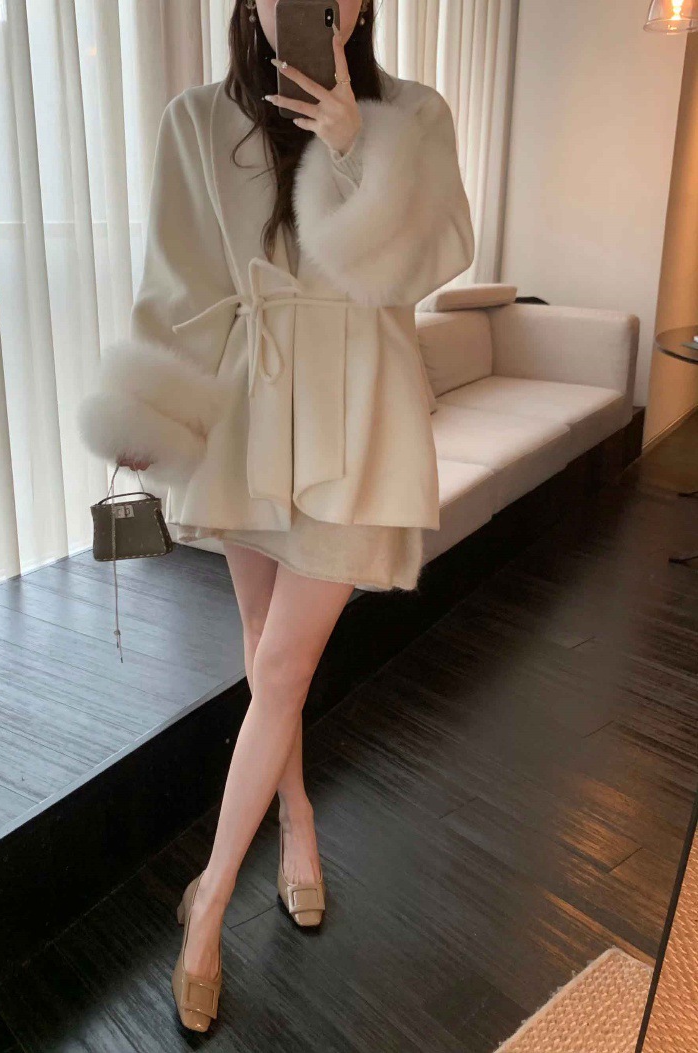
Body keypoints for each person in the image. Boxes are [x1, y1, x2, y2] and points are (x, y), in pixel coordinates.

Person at [85, 0, 474, 1032]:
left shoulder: (414, 116)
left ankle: (208, 901)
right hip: (249, 413)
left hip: (361, 414)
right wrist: (149, 407)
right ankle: (297, 820)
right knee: (266, 653)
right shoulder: (194, 119)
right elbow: (176, 283)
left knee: (286, 666)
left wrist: (355, 150)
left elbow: (434, 258)